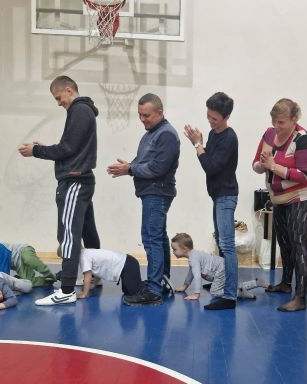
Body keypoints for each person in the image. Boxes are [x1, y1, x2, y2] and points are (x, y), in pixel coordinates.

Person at [19, 75, 101, 306]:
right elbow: (71, 148)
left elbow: (67, 148)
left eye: (58, 98)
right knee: (87, 231)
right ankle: (94, 275)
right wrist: (44, 148)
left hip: (74, 181)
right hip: (81, 179)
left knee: (68, 235)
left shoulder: (79, 110)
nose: (58, 103)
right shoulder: (82, 111)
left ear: (68, 90)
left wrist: (36, 151)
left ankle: (66, 290)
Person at [107, 93, 180, 305]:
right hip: (152, 192)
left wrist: (130, 169)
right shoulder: (152, 133)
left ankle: (154, 290)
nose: (142, 119)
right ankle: (161, 281)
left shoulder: (166, 135)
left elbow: (158, 168)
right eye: (140, 115)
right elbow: (144, 161)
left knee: (151, 238)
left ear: (160, 112)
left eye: (146, 115)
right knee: (158, 236)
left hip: (157, 193)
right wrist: (129, 167)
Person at [252, 98, 307, 312]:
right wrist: (261, 165)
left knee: (299, 243)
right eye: (274, 121)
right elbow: (256, 164)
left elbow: (304, 174)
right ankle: (285, 283)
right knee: (284, 242)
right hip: (279, 198)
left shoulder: (303, 138)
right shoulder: (268, 134)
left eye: (281, 122)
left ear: (294, 119)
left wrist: (274, 166)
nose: (277, 126)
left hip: (304, 197)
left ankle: (300, 297)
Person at [183, 92, 239, 310]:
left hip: (226, 195)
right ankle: (222, 284)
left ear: (226, 117)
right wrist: (201, 144)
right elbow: (209, 159)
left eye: (214, 118)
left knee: (227, 245)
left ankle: (229, 295)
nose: (210, 121)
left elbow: (211, 167)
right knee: (221, 243)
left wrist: (198, 145)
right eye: (208, 116)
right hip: (217, 195)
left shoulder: (229, 138)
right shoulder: (213, 134)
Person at [171, 233, 266, 303]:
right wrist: (184, 287)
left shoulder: (193, 258)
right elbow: (191, 273)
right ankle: (257, 283)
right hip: (222, 265)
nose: (173, 252)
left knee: (215, 292)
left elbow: (197, 276)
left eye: (175, 249)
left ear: (184, 249)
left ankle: (238, 293)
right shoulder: (194, 255)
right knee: (232, 285)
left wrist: (196, 294)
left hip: (220, 269)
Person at [74, 248, 156, 305]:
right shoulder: (87, 252)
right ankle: (148, 285)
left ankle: (153, 290)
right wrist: (94, 284)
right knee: (127, 291)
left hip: (128, 265)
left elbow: (87, 277)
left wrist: (84, 294)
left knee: (133, 292)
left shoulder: (83, 257)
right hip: (127, 264)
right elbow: (98, 270)